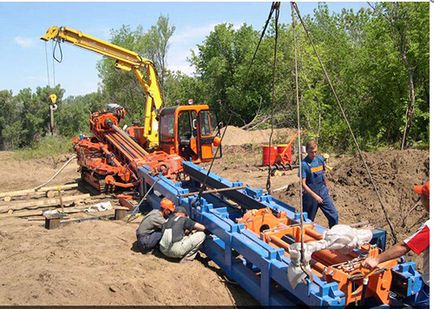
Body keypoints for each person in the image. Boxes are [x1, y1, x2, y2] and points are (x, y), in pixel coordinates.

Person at [363, 182, 429, 304]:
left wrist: (376, 259)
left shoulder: (430, 227)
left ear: (428, 200)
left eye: (422, 196)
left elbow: (404, 247)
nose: (420, 200)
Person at [301, 140, 338, 228]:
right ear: (307, 151)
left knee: (334, 215)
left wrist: (327, 188)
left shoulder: (320, 159)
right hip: (310, 196)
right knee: (308, 221)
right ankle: (307, 238)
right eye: (311, 152)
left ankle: (333, 234)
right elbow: (303, 184)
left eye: (315, 152)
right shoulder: (304, 164)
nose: (313, 154)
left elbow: (323, 175)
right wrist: (315, 196)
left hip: (323, 191)